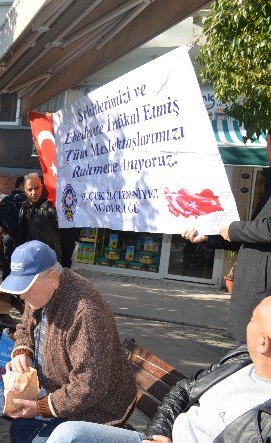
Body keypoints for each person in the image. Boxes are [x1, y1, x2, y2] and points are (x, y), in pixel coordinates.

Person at [34, 296, 271, 443]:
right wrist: (159, 434)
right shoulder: (240, 359)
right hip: (160, 437)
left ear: (264, 343)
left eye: (251, 320)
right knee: (68, 435)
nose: (245, 325)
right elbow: (183, 390)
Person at [3, 241, 136, 442]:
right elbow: (25, 326)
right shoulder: (42, 292)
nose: (21, 296)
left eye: (27, 288)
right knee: (20, 428)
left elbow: (89, 387)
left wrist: (40, 407)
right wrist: (23, 350)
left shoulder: (85, 313)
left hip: (98, 410)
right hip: (63, 394)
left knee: (25, 432)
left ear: (53, 278)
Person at [182, 132, 271, 343]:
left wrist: (234, 229)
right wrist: (209, 235)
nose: (268, 144)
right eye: (268, 138)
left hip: (262, 299)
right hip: (255, 297)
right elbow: (254, 236)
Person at [18, 173, 62, 261]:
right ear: (25, 191)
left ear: (42, 187)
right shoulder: (24, 207)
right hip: (30, 256)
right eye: (30, 189)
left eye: (36, 188)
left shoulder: (50, 205)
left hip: (49, 257)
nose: (34, 192)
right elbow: (22, 234)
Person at [0, 176, 26, 279]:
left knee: (7, 262)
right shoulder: (25, 200)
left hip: (7, 236)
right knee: (19, 264)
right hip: (21, 237)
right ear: (22, 185)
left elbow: (0, 220)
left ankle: (5, 289)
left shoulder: (5, 200)